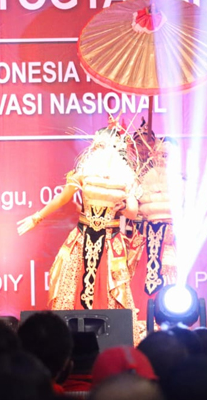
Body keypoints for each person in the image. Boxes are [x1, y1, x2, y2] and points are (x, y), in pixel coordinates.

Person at [17, 118, 138, 312]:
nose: (96, 148)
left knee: (109, 289)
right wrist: (36, 217)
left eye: (101, 144)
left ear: (114, 147)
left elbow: (133, 212)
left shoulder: (126, 177)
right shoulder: (83, 173)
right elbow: (61, 199)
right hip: (82, 237)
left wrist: (122, 205)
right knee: (73, 286)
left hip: (109, 240)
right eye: (96, 144)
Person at [127, 120, 184, 330]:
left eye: (167, 156)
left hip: (170, 242)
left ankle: (170, 326)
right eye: (159, 154)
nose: (161, 159)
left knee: (170, 286)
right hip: (147, 241)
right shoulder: (141, 181)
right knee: (142, 284)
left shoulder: (183, 184)